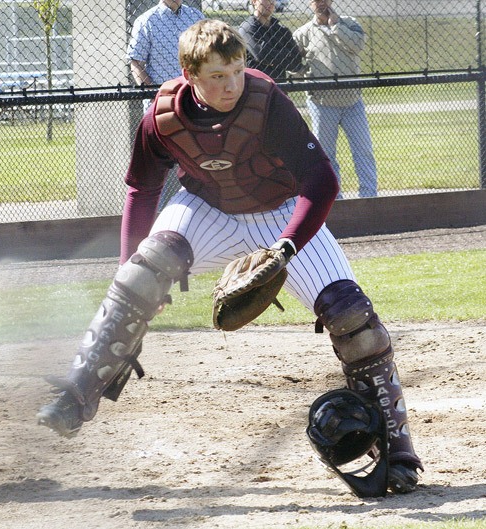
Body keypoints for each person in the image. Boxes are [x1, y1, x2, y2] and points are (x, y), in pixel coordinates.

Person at [37, 19, 422, 494]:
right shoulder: (162, 115)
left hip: (280, 214)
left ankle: (399, 450)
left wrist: (287, 245)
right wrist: (127, 269)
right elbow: (143, 189)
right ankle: (77, 395)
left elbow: (321, 178)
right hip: (209, 208)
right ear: (189, 74)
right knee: (139, 277)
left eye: (238, 70)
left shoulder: (265, 102)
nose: (231, 84)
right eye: (217, 75)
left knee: (352, 319)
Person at [293, 0, 378, 198]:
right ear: (309, 4)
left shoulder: (350, 23)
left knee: (363, 150)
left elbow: (357, 45)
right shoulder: (303, 33)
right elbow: (291, 63)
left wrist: (336, 25)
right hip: (322, 104)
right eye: (316, 0)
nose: (321, 3)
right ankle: (335, 199)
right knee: (327, 156)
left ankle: (369, 197)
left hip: (352, 102)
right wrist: (305, 72)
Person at [128, 0, 204, 206]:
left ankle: (196, 210)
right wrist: (156, 93)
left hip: (194, 105)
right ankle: (158, 217)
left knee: (196, 162)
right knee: (160, 167)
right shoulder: (146, 21)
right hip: (161, 107)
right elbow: (136, 62)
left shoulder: (196, 18)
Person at [238, 0, 302, 80]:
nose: (270, 2)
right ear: (254, 1)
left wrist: (272, 58)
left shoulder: (280, 29)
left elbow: (296, 62)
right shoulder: (248, 28)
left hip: (280, 86)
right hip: (256, 86)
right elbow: (262, 56)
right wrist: (286, 53)